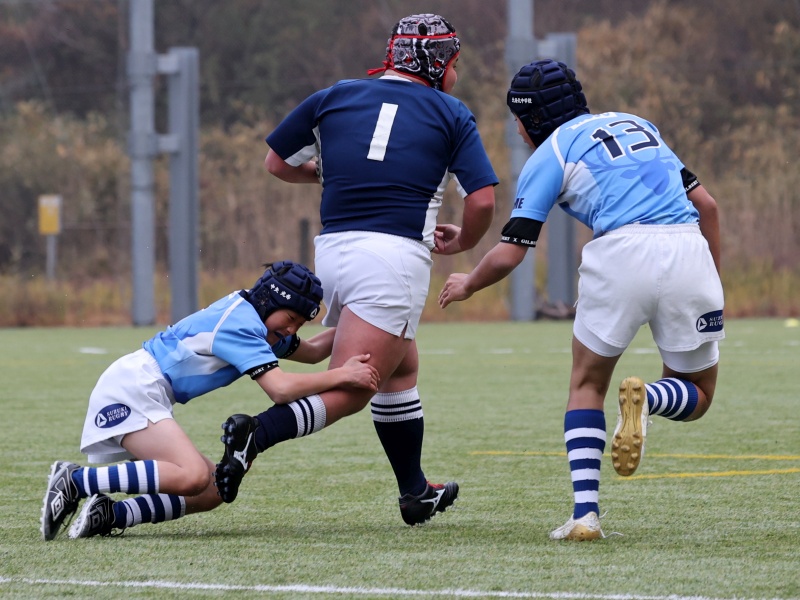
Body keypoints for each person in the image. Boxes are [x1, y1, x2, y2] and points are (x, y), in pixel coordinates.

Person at [214, 14, 498, 525]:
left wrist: (331, 174)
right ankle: (257, 433)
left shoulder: (334, 96)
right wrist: (464, 242)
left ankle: (415, 492)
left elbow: (276, 163)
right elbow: (482, 200)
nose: (456, 74)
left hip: (333, 252)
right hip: (392, 258)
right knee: (354, 387)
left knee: (400, 367)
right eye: (455, 64)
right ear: (437, 65)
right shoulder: (451, 111)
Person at [438, 59, 724, 540]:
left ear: (530, 120)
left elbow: (511, 251)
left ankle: (585, 516)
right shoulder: (638, 125)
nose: (517, 131)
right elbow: (707, 206)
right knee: (699, 394)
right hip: (689, 249)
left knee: (587, 384)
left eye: (517, 121)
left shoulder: (550, 152)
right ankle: (651, 397)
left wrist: (468, 283)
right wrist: (710, 279)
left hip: (620, 254)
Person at [40, 261, 380, 540]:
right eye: (291, 320)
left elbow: (316, 350)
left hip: (146, 388)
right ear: (270, 301)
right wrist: (343, 375)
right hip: (133, 385)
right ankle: (75, 481)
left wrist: (368, 319)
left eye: (300, 324)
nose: (292, 330)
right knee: (191, 475)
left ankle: (111, 514)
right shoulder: (241, 324)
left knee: (212, 490)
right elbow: (280, 389)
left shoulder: (262, 323)